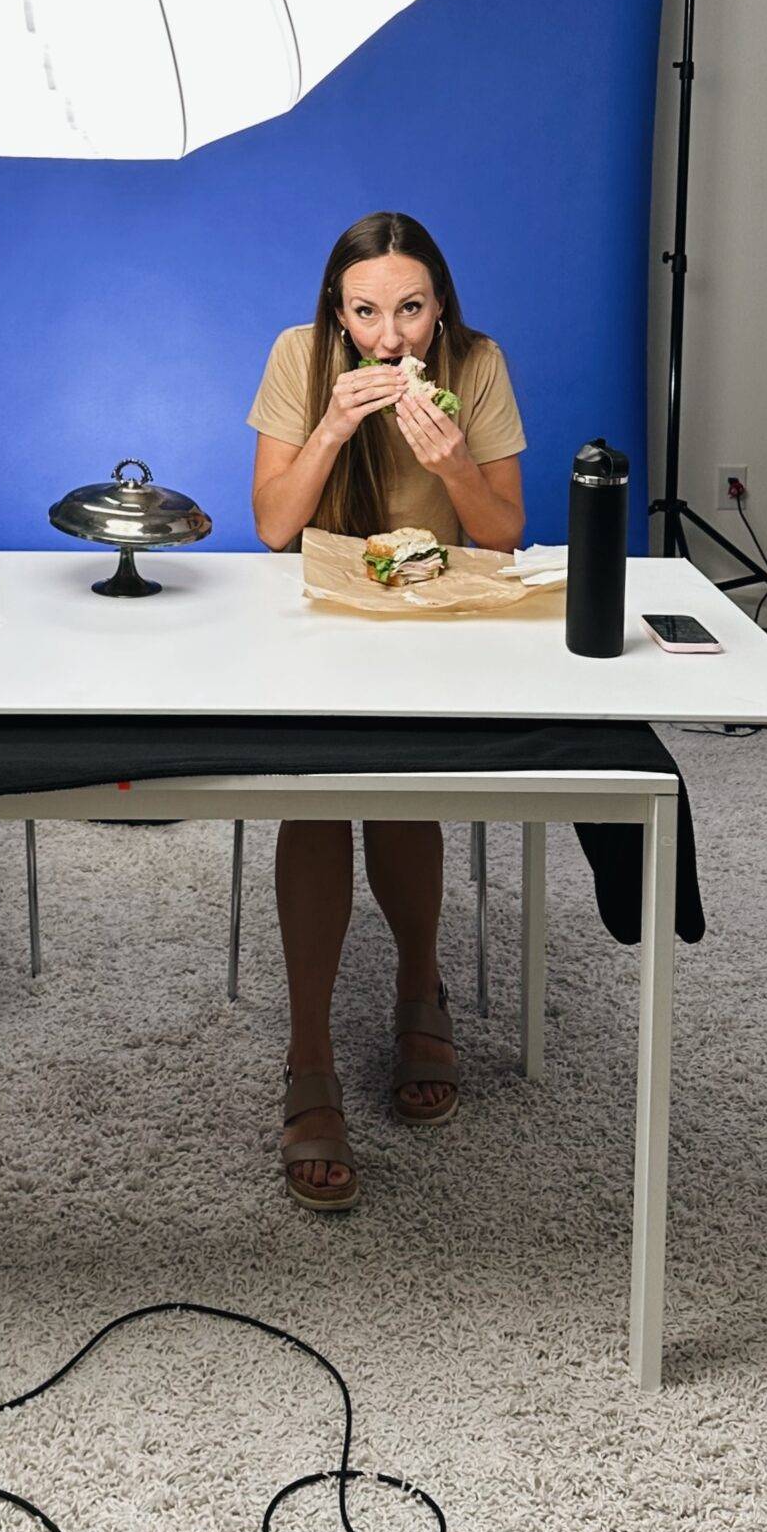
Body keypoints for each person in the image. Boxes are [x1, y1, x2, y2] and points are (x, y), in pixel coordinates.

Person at [247, 210, 526, 1209]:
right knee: (318, 795)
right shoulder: (300, 355)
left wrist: (453, 465)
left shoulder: (477, 363)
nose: (390, 335)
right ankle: (310, 1052)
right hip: (319, 613)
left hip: (431, 616)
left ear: (439, 306)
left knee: (403, 785)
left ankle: (419, 987)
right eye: (366, 312)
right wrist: (332, 425)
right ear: (339, 312)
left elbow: (503, 536)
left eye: (410, 309)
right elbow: (273, 527)